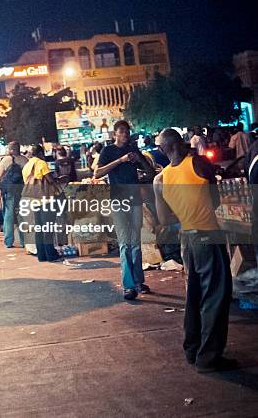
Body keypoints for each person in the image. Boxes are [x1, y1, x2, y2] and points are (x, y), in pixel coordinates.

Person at [154, 128, 236, 373]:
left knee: (195, 295)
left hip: (186, 239)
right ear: (180, 143)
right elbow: (216, 200)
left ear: (162, 150)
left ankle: (192, 348)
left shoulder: (162, 178)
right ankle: (209, 357)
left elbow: (164, 218)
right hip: (207, 235)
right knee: (216, 295)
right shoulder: (198, 163)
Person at [95, 120, 154, 300]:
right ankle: (128, 285)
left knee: (135, 243)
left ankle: (138, 281)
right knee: (124, 243)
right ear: (115, 134)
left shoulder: (134, 150)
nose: (125, 134)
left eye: (127, 131)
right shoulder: (108, 151)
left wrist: (139, 161)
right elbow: (97, 173)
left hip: (135, 199)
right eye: (121, 131)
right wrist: (120, 161)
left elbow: (151, 172)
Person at [22, 144, 61, 262]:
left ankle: (41, 255)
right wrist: (57, 186)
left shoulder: (26, 166)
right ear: (40, 153)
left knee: (39, 229)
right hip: (46, 200)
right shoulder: (41, 163)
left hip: (34, 201)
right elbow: (49, 180)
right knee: (48, 228)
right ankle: (51, 255)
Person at [0, 141, 28, 249]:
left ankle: (8, 242)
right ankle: (24, 241)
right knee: (22, 215)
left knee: (9, 215)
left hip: (9, 190)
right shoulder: (24, 160)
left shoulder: (5, 160)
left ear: (10, 149)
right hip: (22, 190)